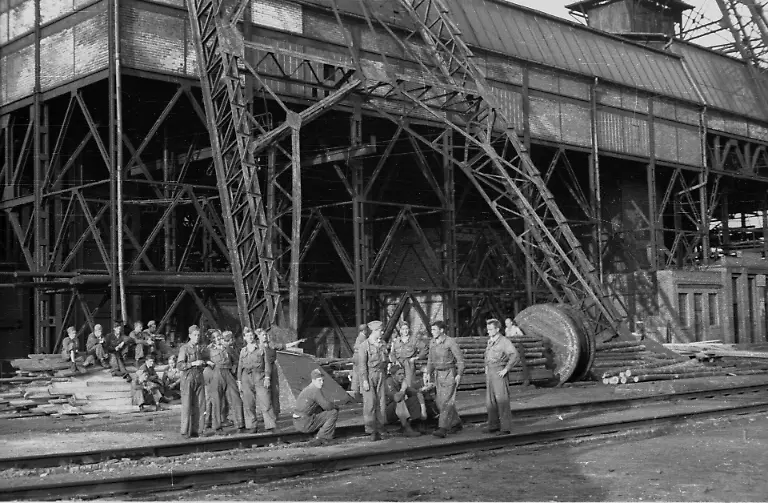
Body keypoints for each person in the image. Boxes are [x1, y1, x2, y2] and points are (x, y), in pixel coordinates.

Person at [426, 320, 464, 438]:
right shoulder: (432, 342)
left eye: (434, 329)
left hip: (449, 373)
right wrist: (428, 372)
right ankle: (456, 423)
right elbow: (430, 360)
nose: (432, 332)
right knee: (440, 401)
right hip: (438, 374)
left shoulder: (450, 342)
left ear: (441, 330)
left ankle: (442, 428)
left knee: (446, 401)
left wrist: (459, 374)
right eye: (431, 330)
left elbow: (460, 360)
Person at [238, 327, 277, 433]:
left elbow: (267, 364)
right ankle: (252, 426)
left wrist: (267, 377)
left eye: (251, 335)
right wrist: (239, 381)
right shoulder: (243, 351)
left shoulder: (261, 348)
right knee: (248, 403)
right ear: (244, 338)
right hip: (246, 377)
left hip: (259, 376)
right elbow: (240, 366)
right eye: (247, 336)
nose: (250, 337)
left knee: (265, 401)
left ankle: (270, 426)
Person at [484, 318, 519, 435]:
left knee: (502, 400)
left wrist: (506, 369)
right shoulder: (490, 341)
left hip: (499, 371)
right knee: (491, 401)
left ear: (497, 329)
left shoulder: (504, 341)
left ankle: (505, 428)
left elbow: (514, 355)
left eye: (490, 329)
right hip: (490, 372)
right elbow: (487, 355)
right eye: (487, 329)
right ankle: (493, 425)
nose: (488, 331)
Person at [177, 325, 212, 438]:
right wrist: (192, 363)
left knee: (200, 405)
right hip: (188, 378)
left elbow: (205, 358)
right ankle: (185, 431)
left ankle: (198, 430)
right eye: (195, 335)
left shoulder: (200, 348)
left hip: (199, 377)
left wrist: (207, 362)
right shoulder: (184, 348)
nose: (197, 337)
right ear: (190, 336)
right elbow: (180, 365)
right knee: (187, 405)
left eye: (198, 335)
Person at [208, 328, 245, 435]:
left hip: (228, 373)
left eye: (219, 337)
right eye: (215, 337)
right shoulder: (209, 350)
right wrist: (208, 363)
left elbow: (237, 360)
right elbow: (202, 359)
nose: (218, 339)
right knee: (217, 400)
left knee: (236, 397)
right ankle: (217, 427)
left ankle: (240, 424)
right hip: (216, 373)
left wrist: (234, 367)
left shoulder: (227, 348)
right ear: (212, 339)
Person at [261, 328, 304, 417]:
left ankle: (275, 413)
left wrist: (297, 342)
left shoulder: (271, 344)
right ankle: (265, 414)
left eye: (266, 335)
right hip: (261, 369)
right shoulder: (257, 347)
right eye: (263, 335)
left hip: (272, 368)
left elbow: (285, 346)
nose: (265, 336)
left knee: (274, 391)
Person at [292, 368, 340, 447]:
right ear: (313, 380)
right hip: (304, 423)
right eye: (319, 380)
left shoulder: (309, 388)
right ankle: (323, 437)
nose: (321, 383)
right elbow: (327, 406)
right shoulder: (315, 390)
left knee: (320, 410)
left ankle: (317, 434)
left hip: (299, 421)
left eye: (322, 380)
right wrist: (335, 406)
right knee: (333, 412)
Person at [358, 320, 388, 441]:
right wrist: (364, 380)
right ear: (375, 331)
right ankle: (371, 430)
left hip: (381, 374)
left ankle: (380, 428)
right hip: (369, 375)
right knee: (370, 403)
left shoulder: (382, 344)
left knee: (381, 403)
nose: (382, 332)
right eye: (380, 330)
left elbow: (385, 361)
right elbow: (362, 365)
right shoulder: (364, 345)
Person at [384, 364, 424, 437]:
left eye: (403, 374)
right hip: (387, 412)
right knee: (400, 401)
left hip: (397, 411)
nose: (402, 376)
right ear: (393, 376)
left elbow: (416, 393)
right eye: (399, 374)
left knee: (414, 399)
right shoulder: (389, 382)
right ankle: (406, 428)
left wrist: (422, 390)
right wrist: (403, 389)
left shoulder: (402, 382)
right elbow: (396, 398)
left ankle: (416, 423)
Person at [389, 321, 427, 388]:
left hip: (409, 364)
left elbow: (425, 348)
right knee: (398, 384)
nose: (405, 331)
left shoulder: (413, 340)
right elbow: (392, 353)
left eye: (406, 329)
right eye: (403, 329)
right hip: (398, 364)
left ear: (409, 329)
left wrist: (416, 358)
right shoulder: (396, 341)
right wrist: (395, 361)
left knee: (409, 384)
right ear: (400, 330)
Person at [348, 324, 369, 398]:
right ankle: (360, 392)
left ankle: (355, 390)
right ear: (364, 330)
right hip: (359, 358)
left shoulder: (359, 337)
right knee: (361, 374)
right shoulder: (362, 337)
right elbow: (358, 347)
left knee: (356, 374)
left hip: (356, 358)